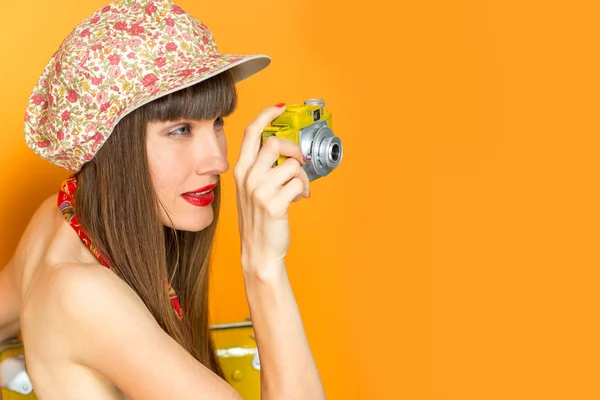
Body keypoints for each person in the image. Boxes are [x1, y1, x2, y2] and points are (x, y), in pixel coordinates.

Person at [0, 0, 325, 399]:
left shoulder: (60, 214)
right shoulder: (86, 295)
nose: (219, 161)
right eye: (180, 130)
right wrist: (264, 266)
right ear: (110, 144)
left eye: (217, 122)